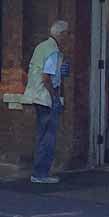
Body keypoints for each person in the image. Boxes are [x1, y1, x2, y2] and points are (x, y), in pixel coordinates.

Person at [24, 20, 69, 184]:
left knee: (42, 135)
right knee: (48, 137)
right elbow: (47, 77)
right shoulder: (53, 51)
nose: (68, 38)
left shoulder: (41, 47)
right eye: (67, 34)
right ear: (61, 34)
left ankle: (38, 171)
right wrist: (55, 97)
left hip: (36, 95)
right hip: (46, 98)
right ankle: (41, 173)